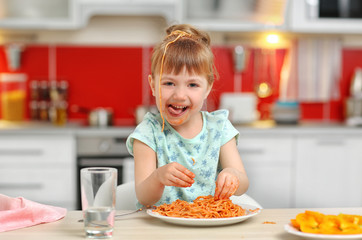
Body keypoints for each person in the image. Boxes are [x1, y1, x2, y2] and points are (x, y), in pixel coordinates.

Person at [126, 24, 249, 208]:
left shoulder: (219, 127)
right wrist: (159, 177)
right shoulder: (148, 132)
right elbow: (144, 197)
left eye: (192, 85)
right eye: (169, 83)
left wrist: (233, 175)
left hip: (208, 225)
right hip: (159, 227)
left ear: (207, 87)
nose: (180, 95)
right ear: (153, 85)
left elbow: (243, 184)